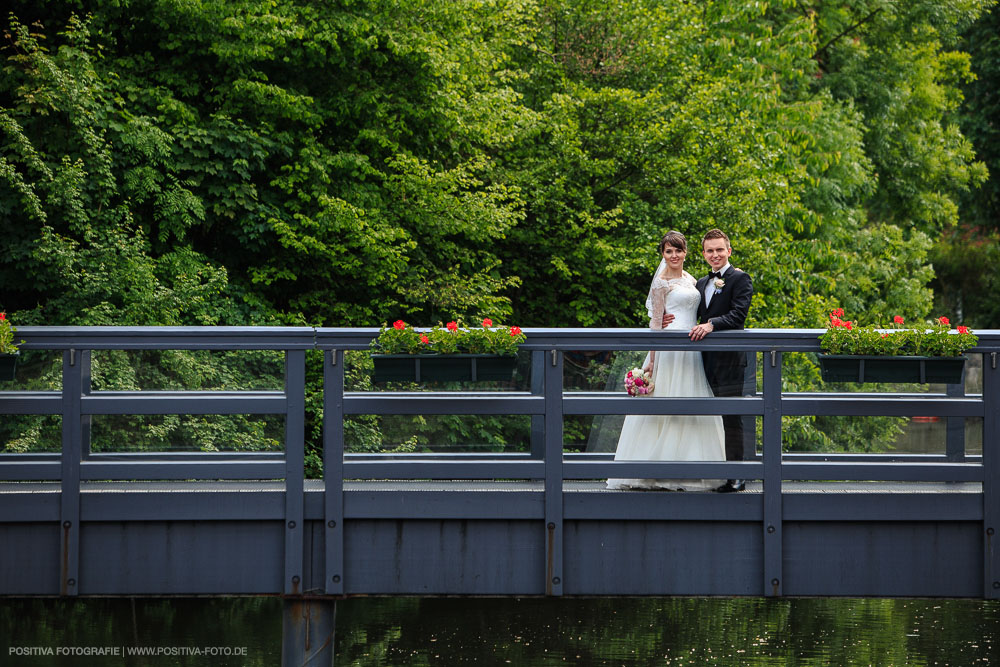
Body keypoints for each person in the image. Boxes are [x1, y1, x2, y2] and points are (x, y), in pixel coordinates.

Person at [607, 231, 726, 491]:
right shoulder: (660, 283)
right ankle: (655, 469)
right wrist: (651, 360)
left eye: (678, 250)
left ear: (686, 252)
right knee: (664, 404)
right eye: (668, 251)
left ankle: (689, 468)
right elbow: (654, 323)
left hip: (691, 350)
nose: (674, 255)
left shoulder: (692, 280)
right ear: (663, 254)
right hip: (668, 349)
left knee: (691, 403)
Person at [688, 229, 754, 492]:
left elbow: (738, 315)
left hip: (729, 361)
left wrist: (711, 324)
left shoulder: (740, 278)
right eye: (709, 250)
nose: (715, 255)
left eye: (719, 249)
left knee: (731, 416)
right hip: (701, 359)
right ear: (703, 254)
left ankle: (736, 475)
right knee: (701, 416)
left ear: (729, 250)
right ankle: (706, 471)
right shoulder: (701, 282)